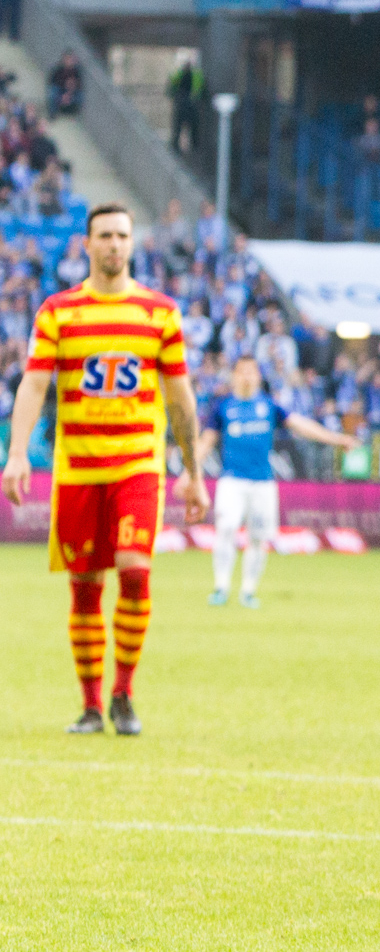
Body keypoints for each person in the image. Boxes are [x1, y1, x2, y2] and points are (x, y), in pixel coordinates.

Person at [2, 202, 210, 736]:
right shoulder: (59, 312)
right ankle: (92, 705)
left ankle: (124, 694)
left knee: (135, 571)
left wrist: (193, 472)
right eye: (105, 236)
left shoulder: (159, 313)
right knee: (85, 587)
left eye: (122, 235)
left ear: (132, 243)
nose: (114, 244)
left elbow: (180, 397)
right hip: (78, 468)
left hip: (137, 463)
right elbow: (34, 384)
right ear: (87, 243)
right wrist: (18, 452)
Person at [194, 355, 358, 608]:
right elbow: (206, 441)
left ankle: (248, 591)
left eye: (251, 371)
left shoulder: (269, 405)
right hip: (231, 481)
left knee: (258, 538)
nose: (246, 376)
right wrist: (190, 470)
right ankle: (221, 587)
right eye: (242, 371)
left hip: (263, 483)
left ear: (258, 376)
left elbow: (301, 425)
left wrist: (337, 439)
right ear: (234, 375)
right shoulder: (223, 407)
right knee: (226, 529)